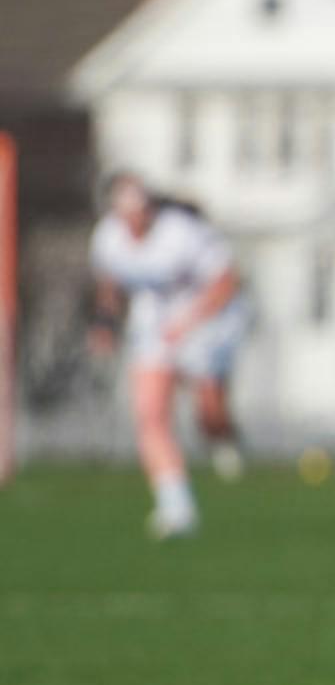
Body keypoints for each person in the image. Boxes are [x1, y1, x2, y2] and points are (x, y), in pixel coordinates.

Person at [87, 171, 251, 537]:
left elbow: (227, 282)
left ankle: (224, 437)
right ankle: (175, 504)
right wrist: (105, 323)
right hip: (154, 327)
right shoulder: (107, 238)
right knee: (150, 413)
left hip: (205, 321)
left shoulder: (181, 233)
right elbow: (110, 285)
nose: (135, 219)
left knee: (209, 411)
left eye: (140, 210)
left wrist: (189, 320)